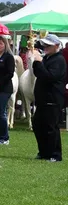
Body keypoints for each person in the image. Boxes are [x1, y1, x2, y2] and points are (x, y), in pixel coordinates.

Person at [31, 34, 66, 162]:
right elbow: (38, 73)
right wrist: (37, 62)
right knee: (38, 125)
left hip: (53, 98)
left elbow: (50, 77)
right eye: (45, 45)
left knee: (51, 127)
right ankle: (44, 152)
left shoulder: (59, 60)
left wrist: (39, 63)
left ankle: (55, 154)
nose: (45, 47)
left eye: (48, 45)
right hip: (42, 98)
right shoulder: (47, 58)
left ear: (56, 46)